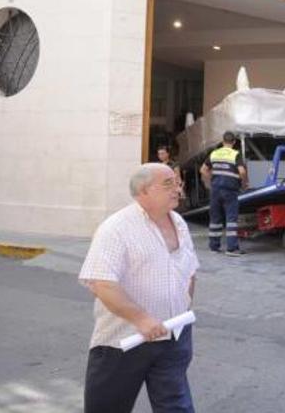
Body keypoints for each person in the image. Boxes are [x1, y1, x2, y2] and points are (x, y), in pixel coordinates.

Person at [79, 163, 199, 413]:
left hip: (174, 335)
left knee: (175, 406)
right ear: (142, 192)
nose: (177, 188)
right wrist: (143, 319)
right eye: (168, 184)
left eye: (177, 182)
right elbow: (102, 283)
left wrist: (184, 304)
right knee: (107, 407)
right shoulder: (116, 229)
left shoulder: (178, 223)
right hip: (125, 341)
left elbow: (190, 270)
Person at [200, 131, 248, 256]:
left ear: (223, 141)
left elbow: (203, 169)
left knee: (215, 218)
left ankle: (214, 247)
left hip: (215, 189)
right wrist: (244, 183)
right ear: (234, 142)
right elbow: (242, 172)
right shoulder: (235, 154)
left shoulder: (214, 153)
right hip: (230, 189)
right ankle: (231, 249)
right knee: (231, 218)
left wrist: (210, 181)